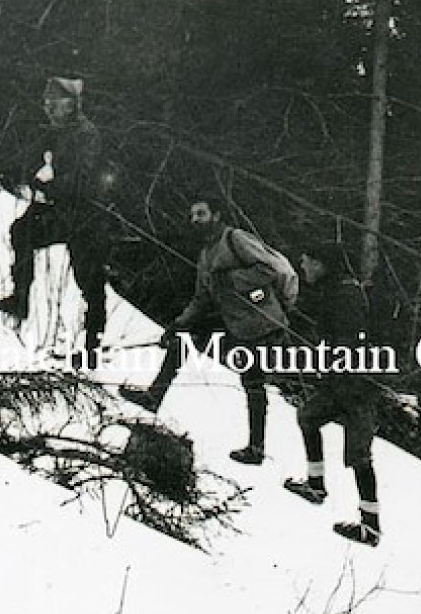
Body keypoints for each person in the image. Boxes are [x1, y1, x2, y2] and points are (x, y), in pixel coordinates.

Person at [119, 197, 294, 465]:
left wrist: (232, 280)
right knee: (184, 339)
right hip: (234, 322)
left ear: (217, 215)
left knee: (253, 382)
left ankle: (256, 448)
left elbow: (268, 270)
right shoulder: (205, 254)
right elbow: (202, 299)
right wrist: (179, 324)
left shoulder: (235, 239)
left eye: (201, 214)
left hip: (263, 324)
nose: (195, 220)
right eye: (193, 215)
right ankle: (155, 396)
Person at [0, 77, 117, 364]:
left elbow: (84, 177)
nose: (48, 108)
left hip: (87, 214)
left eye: (54, 102)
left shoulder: (86, 134)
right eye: (46, 102)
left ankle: (92, 347)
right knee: (22, 231)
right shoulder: (56, 133)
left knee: (90, 280)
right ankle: (19, 300)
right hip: (61, 208)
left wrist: (50, 186)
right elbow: (37, 161)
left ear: (71, 104)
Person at [283, 241, 382, 546]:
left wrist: (331, 360)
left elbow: (349, 341)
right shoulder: (335, 291)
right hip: (341, 383)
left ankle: (371, 527)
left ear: (322, 264)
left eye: (307, 262)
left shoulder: (347, 295)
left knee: (358, 456)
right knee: (308, 417)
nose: (303, 268)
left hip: (357, 387)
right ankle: (315, 484)